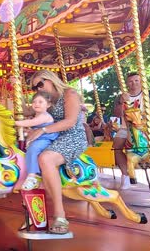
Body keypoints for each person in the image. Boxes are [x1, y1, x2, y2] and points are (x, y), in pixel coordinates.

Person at [25, 70, 87, 234]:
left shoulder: (69, 93)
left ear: (51, 80)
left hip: (72, 136)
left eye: (40, 84)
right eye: (34, 88)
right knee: (28, 155)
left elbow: (70, 121)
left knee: (46, 158)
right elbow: (31, 114)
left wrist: (43, 130)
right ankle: (37, 210)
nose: (38, 89)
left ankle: (60, 215)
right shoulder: (45, 101)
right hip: (53, 137)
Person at [112, 72, 150, 189]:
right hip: (126, 127)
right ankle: (125, 176)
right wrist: (121, 102)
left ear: (141, 81)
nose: (133, 83)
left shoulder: (149, 94)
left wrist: (140, 121)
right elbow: (117, 114)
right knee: (116, 146)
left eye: (136, 80)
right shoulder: (122, 97)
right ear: (127, 83)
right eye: (130, 81)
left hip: (148, 124)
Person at [15, 92, 59, 190]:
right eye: (34, 102)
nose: (36, 104)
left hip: (46, 139)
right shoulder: (36, 115)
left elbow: (31, 123)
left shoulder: (45, 115)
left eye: (40, 102)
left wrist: (15, 122)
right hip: (38, 138)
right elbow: (32, 126)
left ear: (48, 105)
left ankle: (33, 176)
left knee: (33, 149)